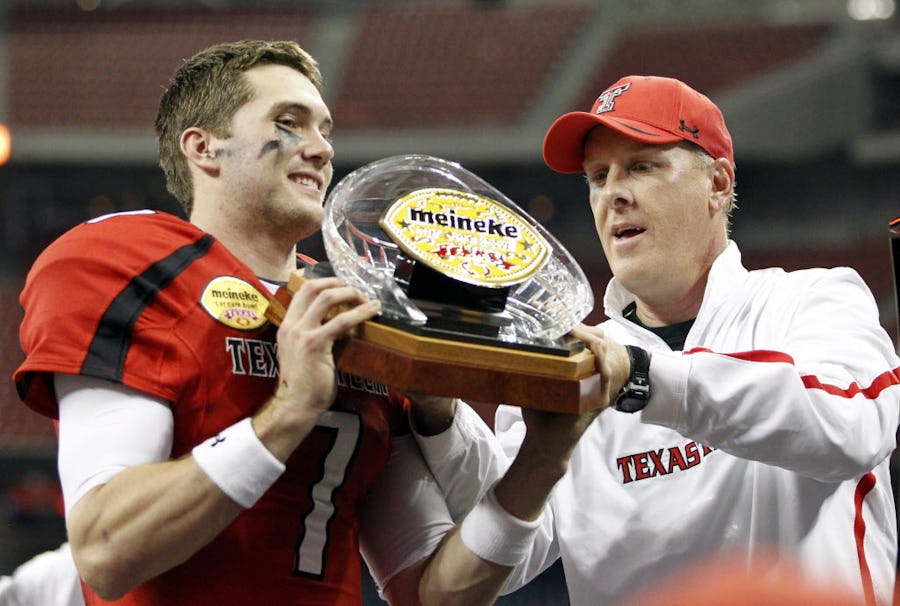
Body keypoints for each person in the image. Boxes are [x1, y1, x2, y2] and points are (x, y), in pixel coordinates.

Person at [13, 39, 594, 606]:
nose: (321, 149)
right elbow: (105, 550)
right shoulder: (132, 265)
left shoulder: (361, 315)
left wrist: (544, 458)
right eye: (289, 122)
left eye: (325, 130)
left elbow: (430, 594)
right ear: (204, 147)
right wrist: (289, 411)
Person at [398, 75, 900, 606]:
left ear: (718, 184)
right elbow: (509, 551)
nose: (612, 193)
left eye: (642, 166)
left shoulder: (812, 299)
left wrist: (639, 377)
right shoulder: (579, 361)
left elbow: (851, 429)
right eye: (598, 176)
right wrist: (441, 412)